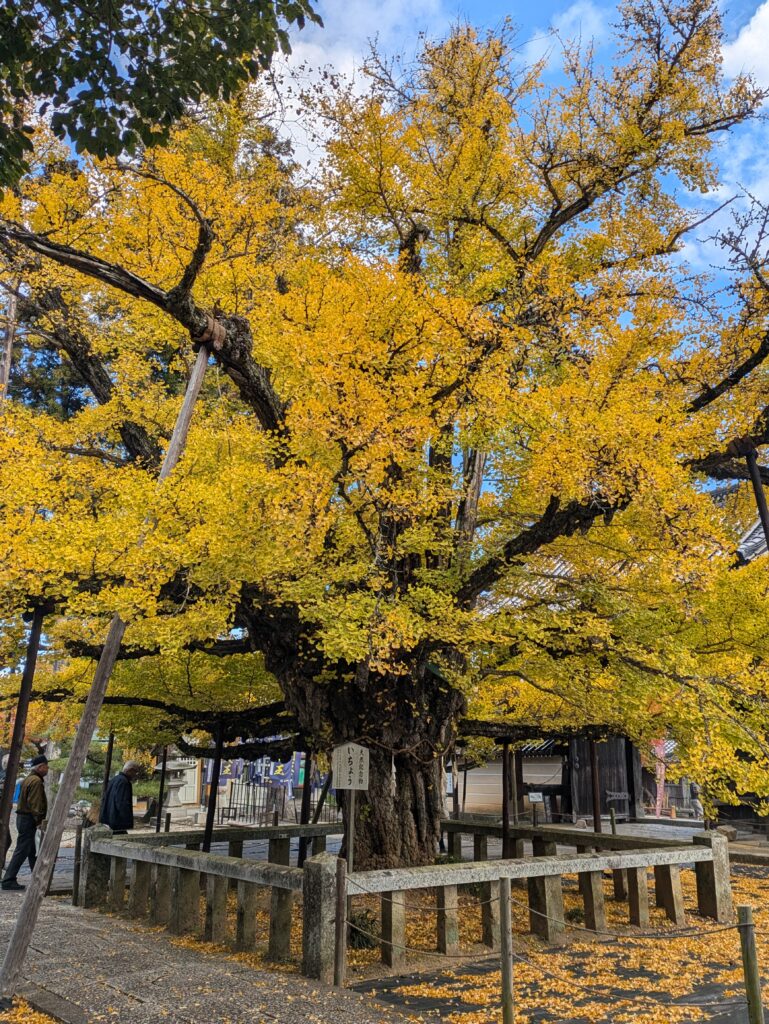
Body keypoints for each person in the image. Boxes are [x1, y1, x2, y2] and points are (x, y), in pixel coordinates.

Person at [1, 755, 48, 892]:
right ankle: (8, 879)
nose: (47, 769)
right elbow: (36, 804)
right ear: (40, 767)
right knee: (22, 850)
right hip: (28, 819)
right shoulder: (36, 782)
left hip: (23, 818)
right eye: (45, 766)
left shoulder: (29, 779)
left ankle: (37, 877)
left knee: (32, 850)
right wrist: (39, 820)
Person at [100, 761, 141, 834]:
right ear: (130, 770)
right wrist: (127, 819)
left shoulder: (114, 779)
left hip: (110, 819)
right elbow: (122, 803)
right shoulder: (124, 782)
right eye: (135, 772)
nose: (135, 775)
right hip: (117, 821)